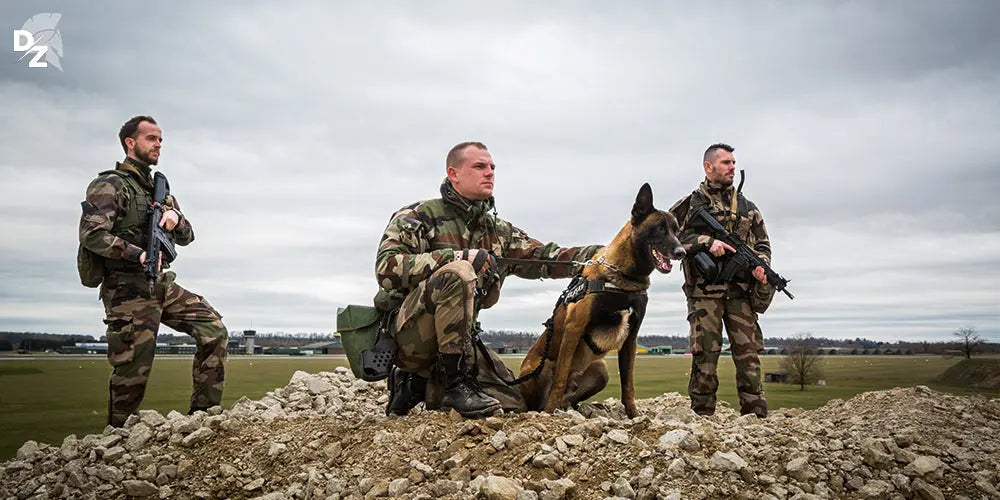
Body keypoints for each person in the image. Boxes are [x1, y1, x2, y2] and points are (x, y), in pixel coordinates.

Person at [375, 141, 602, 418]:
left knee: (514, 404)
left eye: (492, 167)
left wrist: (607, 254)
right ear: (454, 174)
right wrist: (458, 257)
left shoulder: (497, 232)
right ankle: (452, 384)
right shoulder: (418, 216)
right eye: (479, 166)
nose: (490, 173)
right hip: (411, 337)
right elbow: (386, 269)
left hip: (461, 341)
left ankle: (418, 386)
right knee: (459, 272)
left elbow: (548, 258)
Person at [78, 115, 228, 427]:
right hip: (127, 289)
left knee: (214, 330)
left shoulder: (160, 192)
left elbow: (187, 236)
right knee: (133, 370)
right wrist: (138, 254)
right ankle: (119, 438)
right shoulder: (110, 185)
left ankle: (203, 420)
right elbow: (92, 235)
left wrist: (176, 218)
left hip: (162, 284)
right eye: (151, 138)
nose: (158, 144)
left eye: (160, 139)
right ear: (130, 143)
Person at [668, 143, 772, 418]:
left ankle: (756, 417)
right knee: (705, 357)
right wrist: (706, 242)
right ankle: (702, 418)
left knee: (749, 357)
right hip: (705, 294)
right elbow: (667, 239)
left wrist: (761, 265)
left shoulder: (748, 208)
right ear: (708, 167)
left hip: (740, 293)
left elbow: (763, 244)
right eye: (726, 162)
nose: (732, 167)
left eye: (734, 163)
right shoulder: (689, 205)